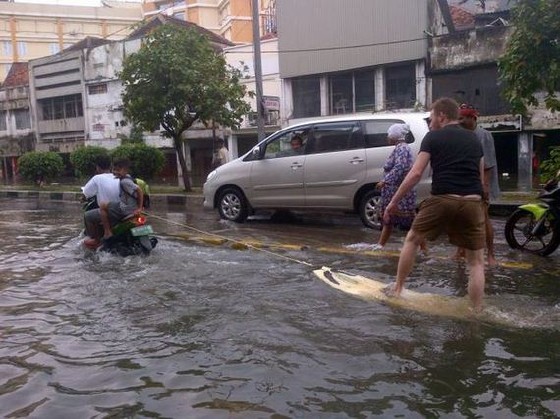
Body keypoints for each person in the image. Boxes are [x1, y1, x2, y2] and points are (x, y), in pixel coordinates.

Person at [383, 97, 486, 312]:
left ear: (442, 116)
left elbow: (416, 173)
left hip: (443, 198)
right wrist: (482, 205)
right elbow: (480, 177)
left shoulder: (433, 137)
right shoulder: (474, 139)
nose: (430, 123)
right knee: (475, 262)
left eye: (431, 118)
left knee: (412, 239)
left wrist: (393, 202)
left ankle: (398, 288)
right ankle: (477, 311)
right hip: (473, 201)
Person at [454, 103, 500, 266]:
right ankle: (460, 251)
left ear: (472, 118)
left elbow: (488, 163)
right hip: (464, 183)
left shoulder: (483, 135)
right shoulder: (461, 135)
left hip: (480, 184)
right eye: (457, 118)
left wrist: (484, 186)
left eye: (462, 118)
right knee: (461, 218)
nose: (459, 122)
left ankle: (491, 254)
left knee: (483, 219)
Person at [372, 123, 417, 251]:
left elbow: (400, 167)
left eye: (388, 135)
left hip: (401, 192)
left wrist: (385, 181)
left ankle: (423, 248)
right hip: (396, 191)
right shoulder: (400, 148)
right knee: (389, 220)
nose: (387, 137)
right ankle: (380, 245)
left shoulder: (402, 149)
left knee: (412, 221)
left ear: (394, 136)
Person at [98, 158, 144, 243]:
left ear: (126, 170)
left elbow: (139, 190)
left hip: (126, 210)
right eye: (114, 169)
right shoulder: (128, 178)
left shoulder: (124, 182)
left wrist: (139, 208)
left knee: (102, 205)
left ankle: (107, 232)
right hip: (132, 209)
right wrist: (139, 208)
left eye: (118, 170)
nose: (115, 172)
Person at [82, 155, 120, 248]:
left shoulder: (97, 178)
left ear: (97, 167)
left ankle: (96, 239)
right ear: (111, 166)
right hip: (124, 209)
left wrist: (83, 197)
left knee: (87, 216)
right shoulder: (119, 176)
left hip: (110, 211)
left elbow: (86, 193)